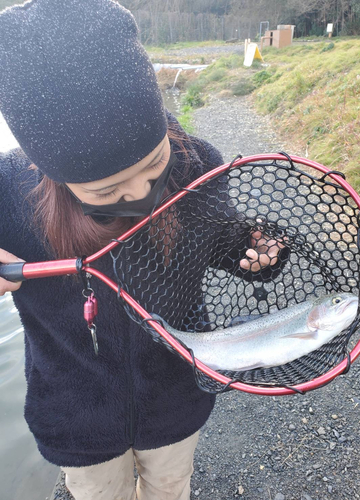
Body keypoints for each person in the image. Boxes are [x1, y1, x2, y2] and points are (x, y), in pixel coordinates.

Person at [0, 1, 287, 499]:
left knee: (171, 488)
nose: (141, 194)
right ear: (53, 175)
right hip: (75, 415)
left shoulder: (197, 161)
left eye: (155, 165)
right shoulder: (9, 191)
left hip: (174, 400)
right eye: (108, 193)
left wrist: (256, 255)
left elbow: (223, 244)